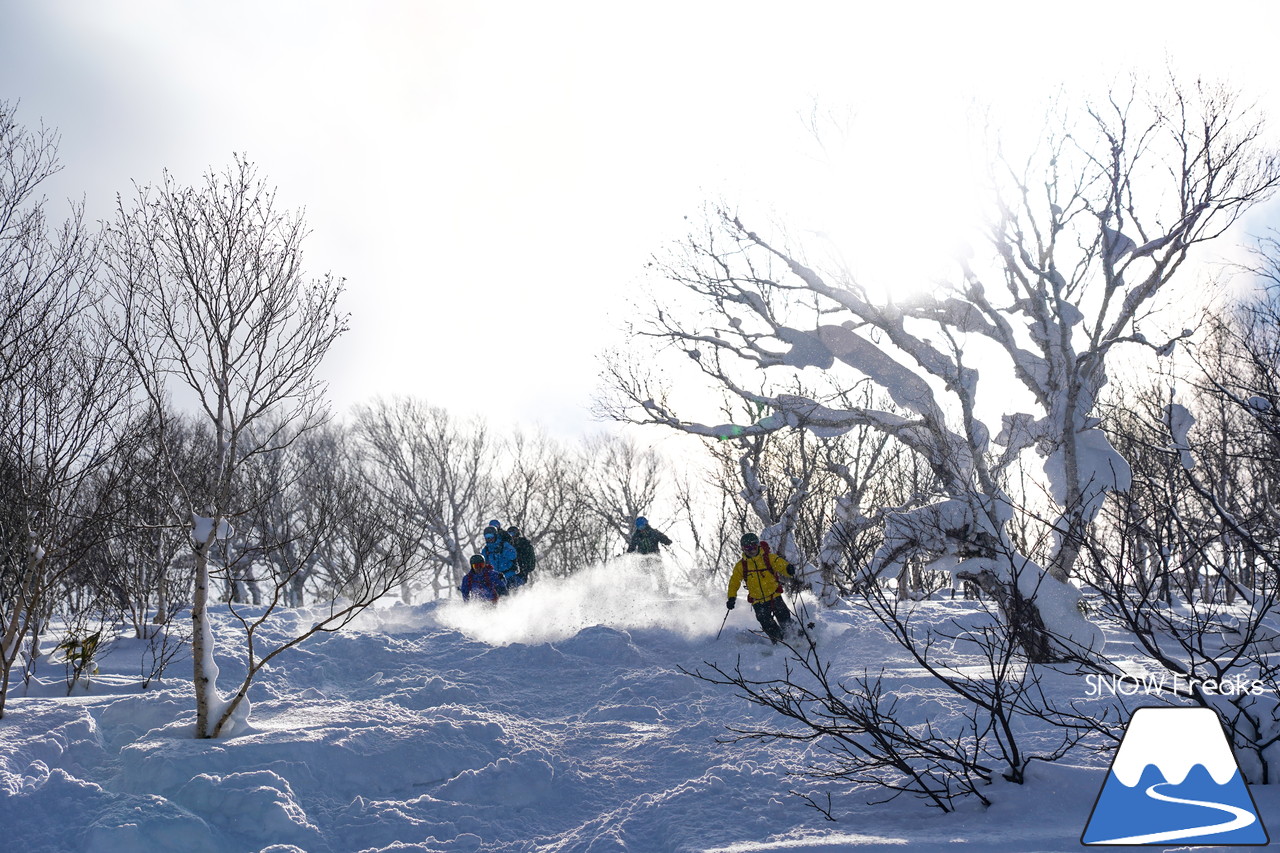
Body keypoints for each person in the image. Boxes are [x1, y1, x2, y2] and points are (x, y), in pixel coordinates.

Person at [725, 532, 800, 644]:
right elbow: (734, 581)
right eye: (747, 547)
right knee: (766, 623)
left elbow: (780, 564)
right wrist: (731, 597)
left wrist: (788, 569)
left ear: (758, 546)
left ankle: (798, 637)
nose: (750, 550)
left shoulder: (769, 558)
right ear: (742, 549)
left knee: (785, 619)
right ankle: (779, 641)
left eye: (753, 546)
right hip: (758, 601)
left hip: (774, 596)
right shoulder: (741, 566)